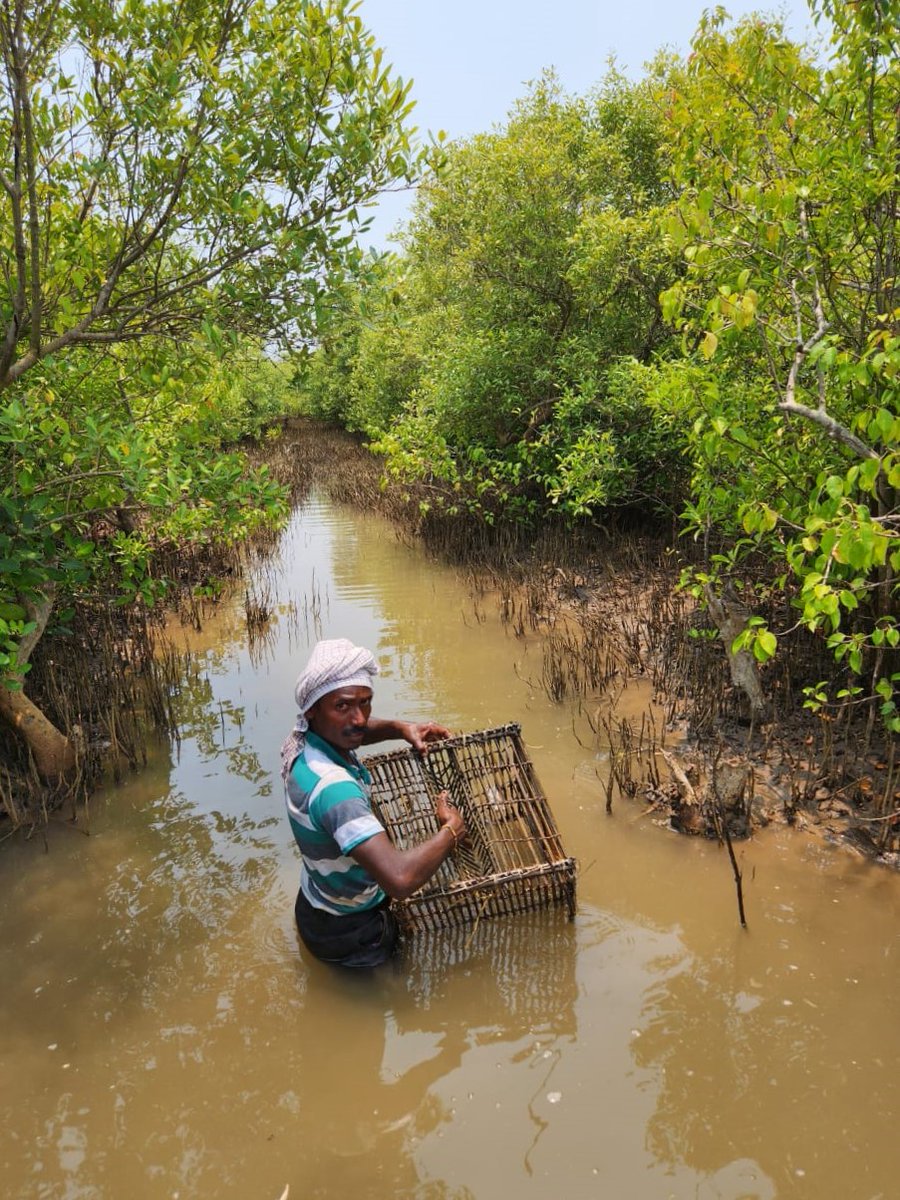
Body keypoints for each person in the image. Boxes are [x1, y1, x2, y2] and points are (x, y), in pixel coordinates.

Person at [280, 637, 467, 968]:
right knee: (387, 994)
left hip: (317, 902)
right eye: (343, 706)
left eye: (365, 703)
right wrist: (451, 831)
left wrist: (401, 728)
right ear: (312, 708)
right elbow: (400, 879)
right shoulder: (336, 791)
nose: (359, 719)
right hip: (352, 934)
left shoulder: (307, 746)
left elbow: (355, 730)